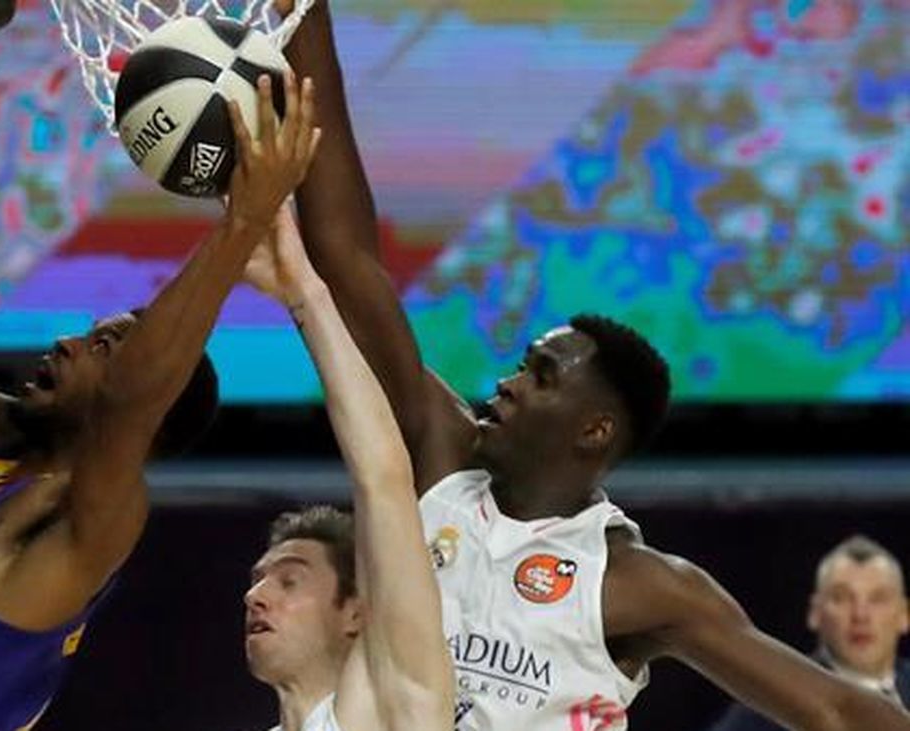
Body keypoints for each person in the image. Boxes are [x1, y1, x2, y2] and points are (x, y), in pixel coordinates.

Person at [276, 1, 910, 729]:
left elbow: (834, 709)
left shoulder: (636, 584)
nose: (508, 384)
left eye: (541, 375)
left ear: (594, 429)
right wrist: (304, 16)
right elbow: (346, 260)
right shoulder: (440, 455)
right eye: (523, 366)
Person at [0, 72, 322, 731]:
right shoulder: (6, 453)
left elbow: (132, 399)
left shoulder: (90, 515)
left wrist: (243, 222)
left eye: (103, 346)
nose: (66, 342)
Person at [240, 204, 453, 731]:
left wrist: (303, 292)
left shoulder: (396, 710)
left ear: (356, 611)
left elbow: (383, 479)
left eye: (290, 581)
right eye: (260, 581)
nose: (254, 596)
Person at [708, 535, 910, 730]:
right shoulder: (766, 700)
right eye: (841, 598)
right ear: (815, 613)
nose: (860, 615)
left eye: (878, 599)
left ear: (904, 615)